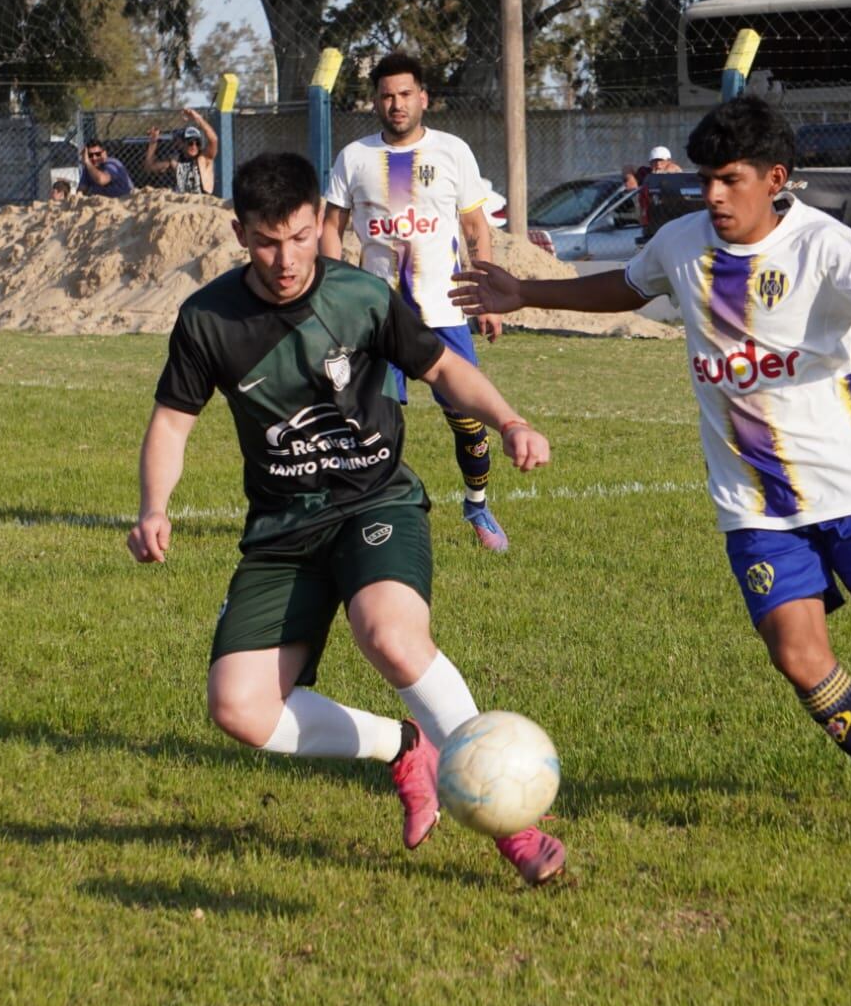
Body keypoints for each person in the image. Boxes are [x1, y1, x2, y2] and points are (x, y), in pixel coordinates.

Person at [450, 96, 851, 862]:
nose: (714, 195)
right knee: (799, 656)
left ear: (776, 178)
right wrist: (527, 291)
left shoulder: (823, 244)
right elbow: (629, 288)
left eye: (730, 180)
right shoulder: (682, 243)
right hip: (751, 496)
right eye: (706, 180)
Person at [127, 151, 566, 886]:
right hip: (283, 528)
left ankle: (512, 825)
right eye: (267, 241)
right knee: (238, 707)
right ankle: (403, 747)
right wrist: (153, 509)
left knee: (391, 634)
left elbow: (443, 368)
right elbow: (172, 423)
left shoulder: (360, 296)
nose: (286, 257)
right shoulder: (208, 319)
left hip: (374, 500)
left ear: (316, 227)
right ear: (240, 233)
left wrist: (511, 417)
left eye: (300, 237)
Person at [320, 52, 510, 552]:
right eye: (386, 95)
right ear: (375, 102)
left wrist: (485, 295)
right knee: (371, 423)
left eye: (405, 94)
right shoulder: (353, 157)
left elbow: (475, 227)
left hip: (444, 310)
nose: (396, 104)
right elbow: (330, 229)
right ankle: (375, 515)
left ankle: (478, 506)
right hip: (377, 316)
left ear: (423, 98)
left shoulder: (452, 151)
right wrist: (333, 293)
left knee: (468, 421)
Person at [144, 109, 218, 195]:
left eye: (197, 143)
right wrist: (153, 142)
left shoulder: (204, 158)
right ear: (182, 144)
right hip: (184, 200)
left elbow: (213, 140)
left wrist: (197, 117)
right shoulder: (176, 161)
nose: (194, 146)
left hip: (202, 200)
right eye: (190, 143)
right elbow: (149, 167)